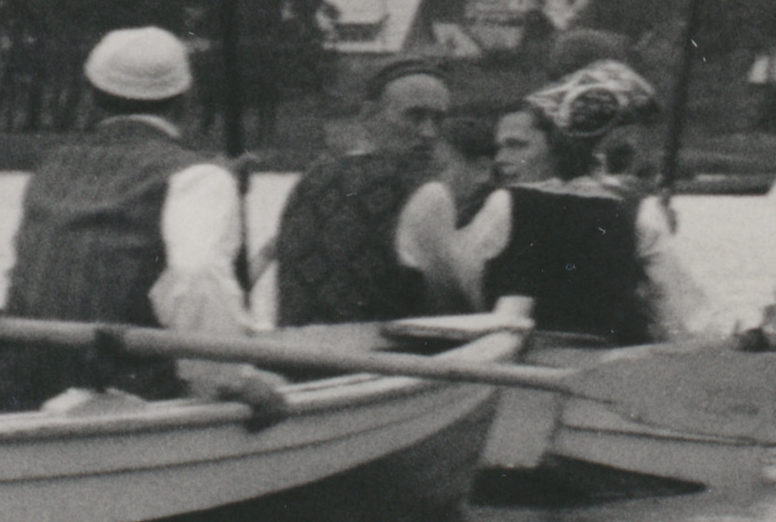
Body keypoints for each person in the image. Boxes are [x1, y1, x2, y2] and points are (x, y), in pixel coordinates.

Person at [0, 28, 288, 425]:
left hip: (18, 390)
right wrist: (230, 380)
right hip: (129, 393)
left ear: (91, 97)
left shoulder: (51, 166)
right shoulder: (198, 179)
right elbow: (197, 276)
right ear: (185, 102)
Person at [427, 60, 717, 342]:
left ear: (555, 147)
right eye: (499, 147)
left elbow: (457, 285)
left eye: (517, 146)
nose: (501, 160)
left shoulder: (506, 204)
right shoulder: (636, 209)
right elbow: (688, 320)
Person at [257, 58, 457, 327]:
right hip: (378, 362)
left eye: (438, 119)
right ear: (368, 116)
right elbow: (448, 305)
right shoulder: (426, 193)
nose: (429, 132)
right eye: (414, 116)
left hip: (294, 357)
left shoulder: (310, 179)